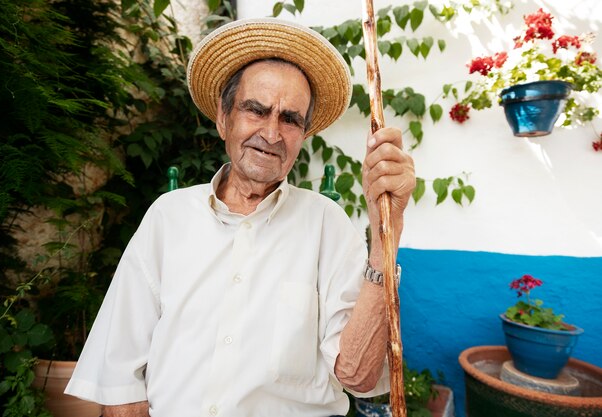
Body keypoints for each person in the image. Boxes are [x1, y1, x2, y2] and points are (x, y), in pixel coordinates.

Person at [65, 18, 415, 417]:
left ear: (303, 135)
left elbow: (359, 377)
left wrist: (388, 234)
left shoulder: (327, 225)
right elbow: (119, 378)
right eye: (256, 110)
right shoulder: (169, 218)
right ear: (223, 118)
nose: (271, 133)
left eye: (289, 119)